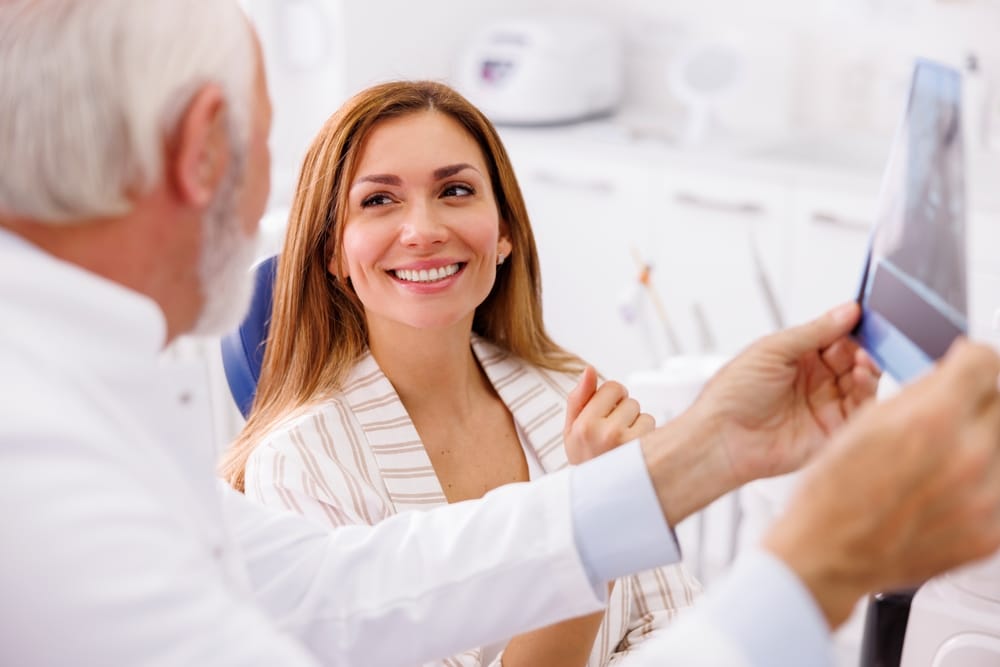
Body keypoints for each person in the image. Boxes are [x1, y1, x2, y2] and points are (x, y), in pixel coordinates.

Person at [2, 1, 1000, 666]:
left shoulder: (109, 393)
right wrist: (819, 562)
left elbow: (347, 586)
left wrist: (712, 445)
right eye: (267, 143)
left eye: (456, 191)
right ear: (202, 149)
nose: (423, 229)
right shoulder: (42, 472)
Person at [219, 80, 703, 667]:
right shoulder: (302, 464)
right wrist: (597, 513)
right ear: (332, 252)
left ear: (504, 233)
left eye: (455, 190)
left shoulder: (570, 396)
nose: (423, 230)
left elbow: (676, 628)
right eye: (379, 200)